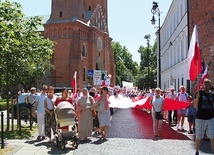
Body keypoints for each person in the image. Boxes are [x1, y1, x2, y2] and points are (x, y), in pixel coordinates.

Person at [194, 78, 214, 155]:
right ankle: (197, 151)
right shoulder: (199, 93)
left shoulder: (212, 94)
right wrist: (197, 98)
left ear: (210, 85)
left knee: (212, 137)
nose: (207, 86)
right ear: (202, 85)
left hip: (211, 118)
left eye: (208, 84)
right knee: (199, 137)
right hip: (200, 118)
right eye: (205, 84)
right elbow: (195, 106)